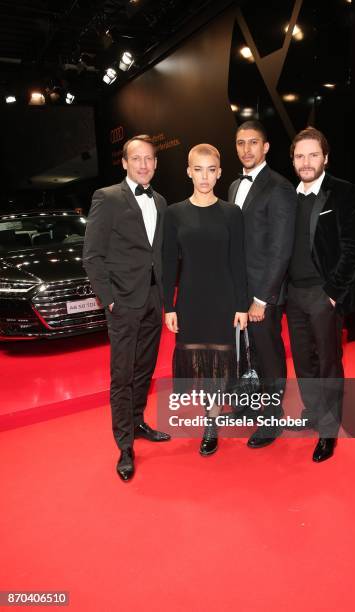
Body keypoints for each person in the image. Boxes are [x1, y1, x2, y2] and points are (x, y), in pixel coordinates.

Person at [83, 134, 171, 482]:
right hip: (123, 302)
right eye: (136, 159)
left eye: (149, 159)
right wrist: (110, 300)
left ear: (155, 162)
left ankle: (136, 422)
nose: (143, 165)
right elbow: (93, 256)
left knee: (144, 369)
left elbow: (159, 254)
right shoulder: (107, 198)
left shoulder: (161, 201)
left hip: (153, 299)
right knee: (121, 375)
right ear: (124, 162)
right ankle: (124, 445)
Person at [286, 126, 355, 462]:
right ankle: (313, 410)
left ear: (325, 158)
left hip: (324, 294)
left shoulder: (345, 193)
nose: (307, 162)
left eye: (313, 155)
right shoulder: (287, 198)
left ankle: (329, 430)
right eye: (300, 156)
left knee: (329, 363)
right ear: (292, 160)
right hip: (293, 295)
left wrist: (332, 293)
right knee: (304, 363)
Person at [163, 144, 248, 456]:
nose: (205, 176)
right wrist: (168, 306)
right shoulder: (173, 213)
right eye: (198, 169)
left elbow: (238, 261)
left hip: (224, 299)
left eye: (211, 169)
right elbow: (169, 262)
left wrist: (241, 304)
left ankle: (211, 423)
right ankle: (208, 415)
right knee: (200, 365)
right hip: (190, 300)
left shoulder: (232, 213)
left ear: (220, 172)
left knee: (217, 366)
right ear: (188, 171)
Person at [228, 120, 297, 449]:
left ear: (266, 147)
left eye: (253, 142)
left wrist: (261, 298)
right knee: (246, 352)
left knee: (268, 354)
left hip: (262, 294)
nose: (246, 149)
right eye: (240, 143)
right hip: (239, 290)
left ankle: (273, 417)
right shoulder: (232, 186)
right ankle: (249, 404)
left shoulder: (280, 187)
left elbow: (281, 250)